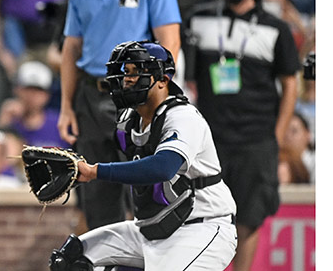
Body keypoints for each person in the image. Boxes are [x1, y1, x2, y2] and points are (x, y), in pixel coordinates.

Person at [48, 40, 237, 270]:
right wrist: (74, 166)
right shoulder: (128, 120)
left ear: (163, 80)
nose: (127, 79)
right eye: (126, 72)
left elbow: (162, 168)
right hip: (151, 228)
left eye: (136, 72)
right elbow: (106, 156)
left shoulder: (183, 117)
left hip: (201, 228)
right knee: (70, 259)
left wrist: (95, 171)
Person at [58, 0, 182, 233]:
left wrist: (157, 99)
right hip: (91, 94)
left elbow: (170, 43)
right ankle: (108, 259)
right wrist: (66, 106)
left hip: (136, 96)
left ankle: (151, 257)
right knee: (96, 195)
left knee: (147, 193)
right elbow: (71, 48)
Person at [182, 0, 299, 271]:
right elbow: (185, 76)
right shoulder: (198, 19)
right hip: (210, 140)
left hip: (255, 139)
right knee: (204, 219)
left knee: (248, 218)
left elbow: (290, 84)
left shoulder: (275, 28)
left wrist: (276, 135)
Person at [0, 61, 63, 148]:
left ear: (47, 95)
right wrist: (3, 122)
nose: (32, 95)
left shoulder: (58, 123)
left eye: (38, 90)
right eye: (27, 89)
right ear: (16, 90)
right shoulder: (10, 119)